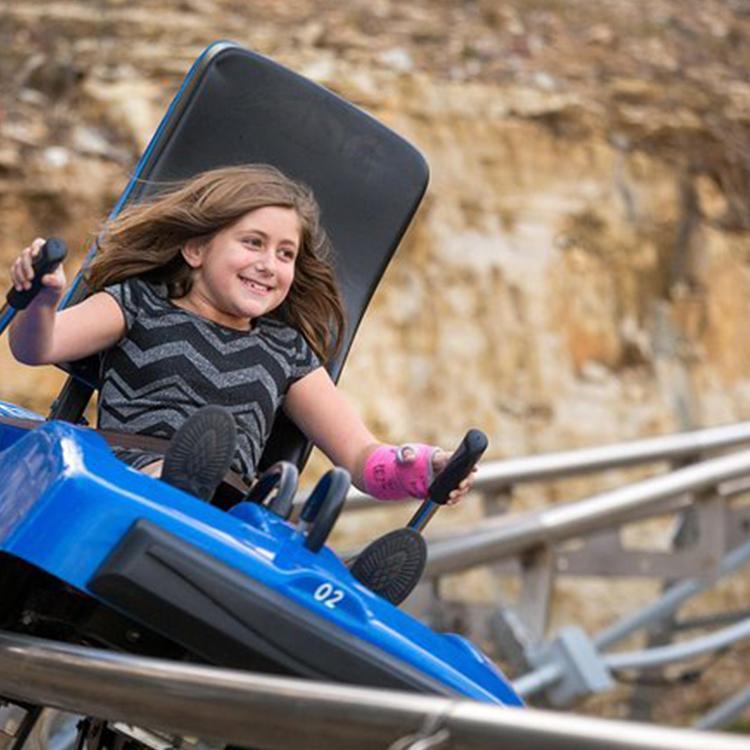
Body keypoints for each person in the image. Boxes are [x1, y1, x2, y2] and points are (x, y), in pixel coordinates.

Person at [8, 164, 475, 505]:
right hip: (126, 481)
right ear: (196, 248)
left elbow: (360, 457)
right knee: (168, 478)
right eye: (253, 243)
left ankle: (345, 579)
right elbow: (38, 347)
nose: (269, 264)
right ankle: (176, 486)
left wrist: (423, 468)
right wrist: (42, 301)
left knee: (264, 515)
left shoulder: (286, 350)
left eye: (286, 254)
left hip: (228, 506)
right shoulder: (138, 304)